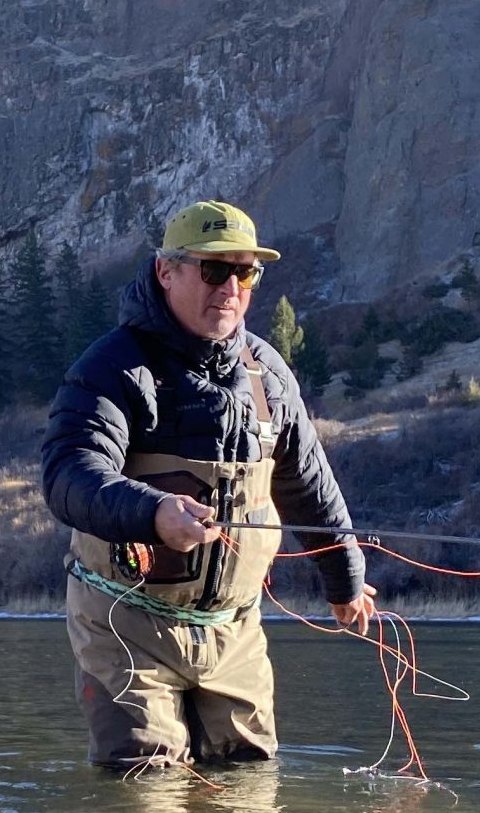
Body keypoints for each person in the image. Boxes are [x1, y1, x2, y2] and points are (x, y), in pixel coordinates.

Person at [41, 200, 378, 768]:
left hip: (233, 629)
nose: (230, 287)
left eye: (245, 272)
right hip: (126, 625)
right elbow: (69, 474)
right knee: (145, 793)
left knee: (248, 788)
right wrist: (153, 513)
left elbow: (309, 487)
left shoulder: (268, 375)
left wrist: (344, 581)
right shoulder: (112, 368)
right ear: (165, 272)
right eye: (213, 269)